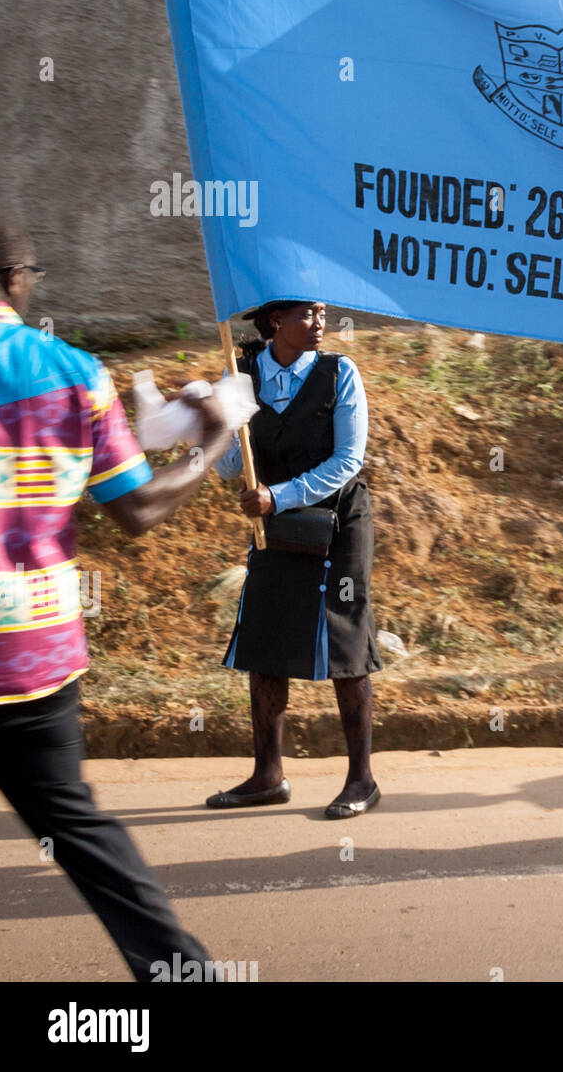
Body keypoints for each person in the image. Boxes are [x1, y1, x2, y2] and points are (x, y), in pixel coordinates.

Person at [0, 213, 234, 980]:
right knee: (78, 830)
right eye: (34, 273)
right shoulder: (73, 372)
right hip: (34, 658)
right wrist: (211, 444)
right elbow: (135, 511)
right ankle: (182, 972)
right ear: (15, 279)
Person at [207, 298, 382, 818]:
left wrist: (277, 496)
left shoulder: (339, 374)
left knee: (344, 643)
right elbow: (231, 465)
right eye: (306, 313)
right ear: (274, 321)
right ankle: (268, 775)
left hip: (339, 522)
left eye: (322, 312)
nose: (320, 322)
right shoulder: (241, 375)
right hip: (275, 524)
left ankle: (362, 780)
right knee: (265, 637)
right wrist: (218, 423)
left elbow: (349, 460)